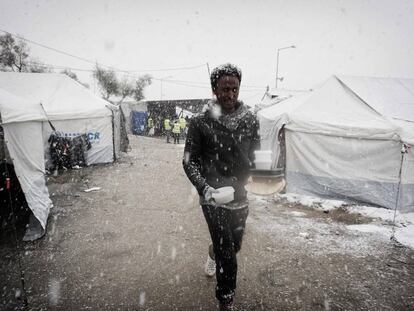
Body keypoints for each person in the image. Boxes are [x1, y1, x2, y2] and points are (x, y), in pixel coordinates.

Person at [183, 63, 260, 311]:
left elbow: (256, 152)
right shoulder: (200, 122)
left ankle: (212, 252)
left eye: (234, 89)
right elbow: (189, 161)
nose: (230, 95)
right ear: (214, 89)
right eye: (224, 89)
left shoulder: (250, 119)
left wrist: (258, 170)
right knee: (227, 250)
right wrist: (205, 188)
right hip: (213, 196)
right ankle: (225, 300)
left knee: (234, 245)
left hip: (239, 195)